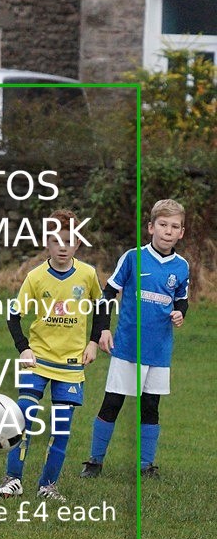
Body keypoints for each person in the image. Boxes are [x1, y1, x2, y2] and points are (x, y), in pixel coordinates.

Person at [0, 209, 104, 502]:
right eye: (57, 240)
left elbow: (102, 308)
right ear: (47, 243)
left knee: (61, 428)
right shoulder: (36, 277)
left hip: (69, 366)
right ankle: (12, 479)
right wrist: (24, 348)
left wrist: (93, 342)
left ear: (78, 243)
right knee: (23, 419)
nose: (63, 246)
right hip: (37, 361)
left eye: (69, 240)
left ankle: (48, 485)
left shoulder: (88, 274)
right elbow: (13, 316)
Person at [81, 199, 190, 479]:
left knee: (151, 407)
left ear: (181, 232)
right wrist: (103, 330)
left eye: (174, 226)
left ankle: (145, 465)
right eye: (163, 225)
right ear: (151, 227)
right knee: (113, 402)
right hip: (129, 346)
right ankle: (94, 462)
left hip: (160, 350)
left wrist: (179, 313)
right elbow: (106, 296)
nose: (168, 230)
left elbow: (182, 300)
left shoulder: (181, 266)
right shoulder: (133, 258)